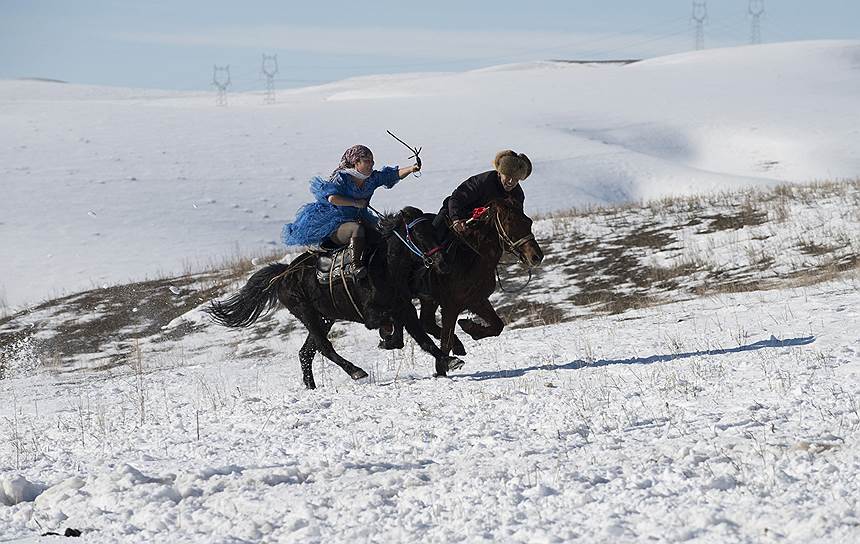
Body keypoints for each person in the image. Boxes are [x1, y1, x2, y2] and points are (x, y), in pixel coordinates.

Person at [282, 144, 421, 278]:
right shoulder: (341, 178)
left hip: (362, 216)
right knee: (356, 229)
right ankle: (356, 266)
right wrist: (355, 203)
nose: (371, 164)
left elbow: (392, 175)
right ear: (356, 162)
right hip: (337, 221)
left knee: (387, 230)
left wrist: (411, 169)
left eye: (372, 161)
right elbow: (332, 198)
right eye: (367, 161)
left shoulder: (372, 178)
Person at [433, 149, 532, 238]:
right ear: (500, 172)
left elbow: (516, 218)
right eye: (508, 176)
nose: (511, 182)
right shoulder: (483, 181)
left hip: (482, 231)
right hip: (456, 217)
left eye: (516, 179)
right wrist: (456, 219)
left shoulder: (517, 195)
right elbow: (456, 198)